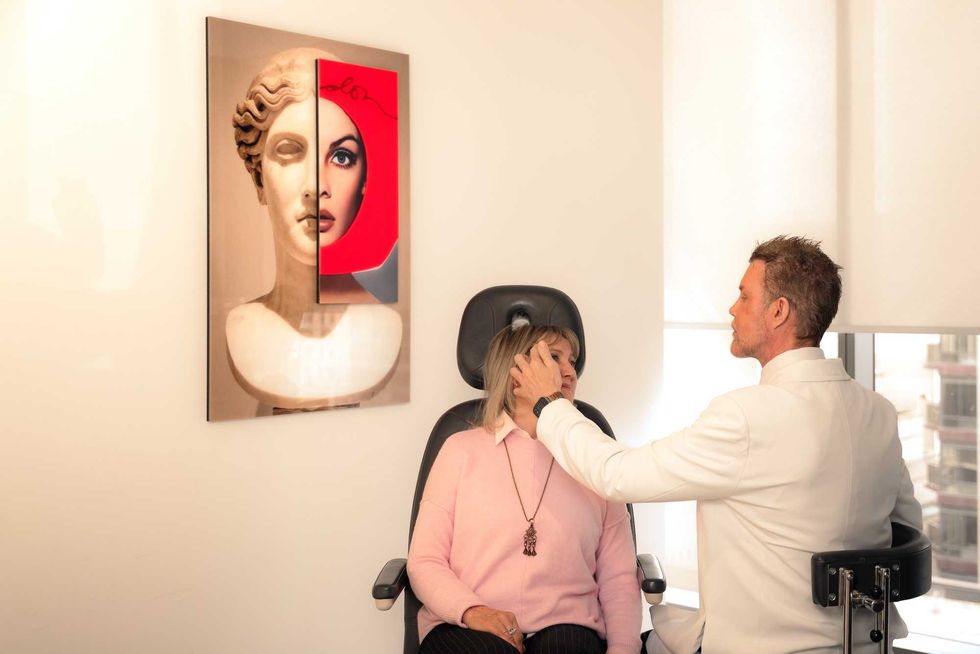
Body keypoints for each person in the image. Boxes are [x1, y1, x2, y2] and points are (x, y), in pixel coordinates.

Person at [510, 236, 923, 654]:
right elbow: (907, 531)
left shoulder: (747, 417)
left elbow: (615, 475)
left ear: (778, 312)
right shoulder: (879, 413)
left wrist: (548, 403)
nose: (732, 307)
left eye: (744, 296)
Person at [407, 324, 642, 654]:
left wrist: (624, 650)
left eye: (572, 361)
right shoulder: (459, 450)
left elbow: (618, 577)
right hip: (467, 622)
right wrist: (473, 611)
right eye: (554, 357)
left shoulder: (596, 458)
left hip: (567, 624)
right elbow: (425, 561)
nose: (570, 371)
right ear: (515, 371)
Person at [226, 47, 402, 411]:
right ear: (259, 180)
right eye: (290, 151)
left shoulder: (385, 328)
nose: (316, 185)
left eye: (342, 157)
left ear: (365, 180)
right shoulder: (240, 327)